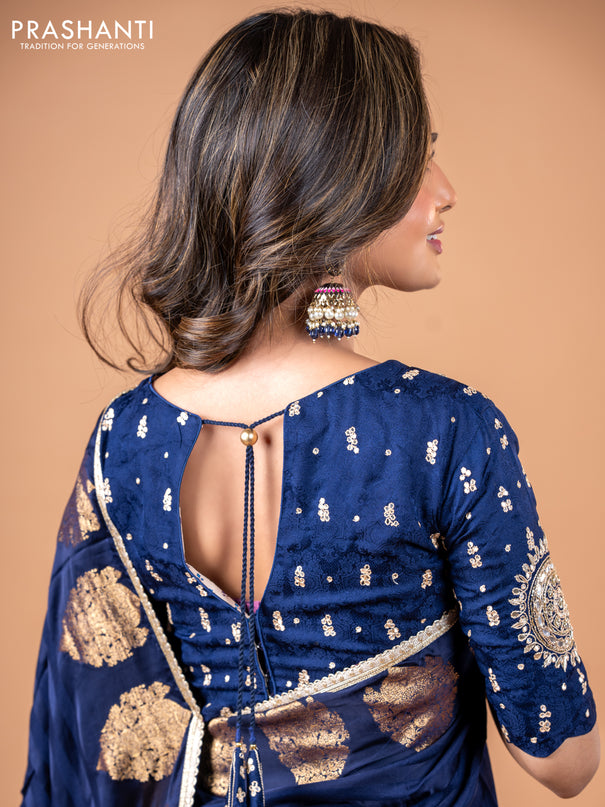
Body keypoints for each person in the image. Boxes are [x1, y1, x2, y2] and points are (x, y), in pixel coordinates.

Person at [21, 9, 599, 807]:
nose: (445, 191)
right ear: (337, 178)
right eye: (418, 156)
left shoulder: (124, 437)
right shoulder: (445, 430)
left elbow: (72, 730)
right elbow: (562, 757)